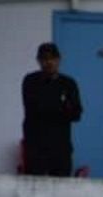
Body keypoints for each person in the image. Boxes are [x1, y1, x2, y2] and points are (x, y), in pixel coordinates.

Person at [21, 43, 82, 177]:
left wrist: (57, 108)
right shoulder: (31, 81)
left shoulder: (68, 84)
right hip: (36, 147)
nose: (48, 62)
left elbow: (76, 113)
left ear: (59, 60)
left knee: (61, 187)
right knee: (34, 186)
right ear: (38, 61)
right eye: (44, 59)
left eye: (52, 58)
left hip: (60, 147)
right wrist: (62, 105)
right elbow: (34, 109)